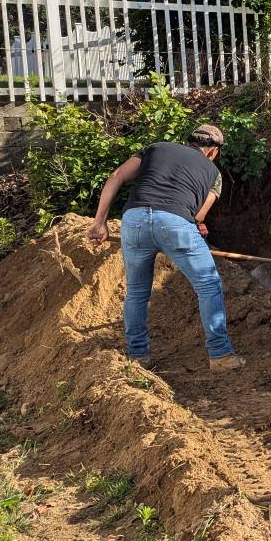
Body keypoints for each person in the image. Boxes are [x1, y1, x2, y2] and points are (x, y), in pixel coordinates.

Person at [85, 124, 246, 371]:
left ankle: (138, 356)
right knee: (208, 285)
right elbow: (199, 215)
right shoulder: (213, 173)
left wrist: (100, 222)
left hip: (134, 220)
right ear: (213, 151)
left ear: (188, 141)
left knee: (137, 293)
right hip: (175, 223)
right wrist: (194, 227)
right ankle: (221, 355)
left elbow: (116, 176)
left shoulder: (156, 148)